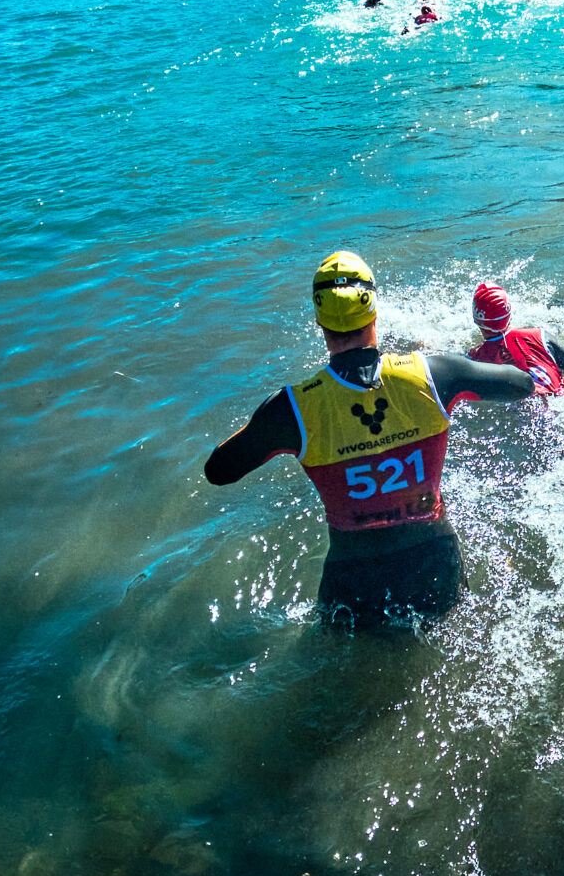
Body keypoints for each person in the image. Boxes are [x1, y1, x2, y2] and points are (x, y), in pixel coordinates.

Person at [202, 251, 540, 630]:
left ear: (319, 321)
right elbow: (520, 383)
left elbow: (219, 471)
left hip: (352, 579)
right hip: (433, 564)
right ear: (374, 312)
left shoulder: (293, 407)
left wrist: (265, 422)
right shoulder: (432, 374)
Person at [457, 280, 564, 401]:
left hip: (530, 411)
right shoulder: (539, 335)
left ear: (477, 319)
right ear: (509, 311)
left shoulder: (475, 359)